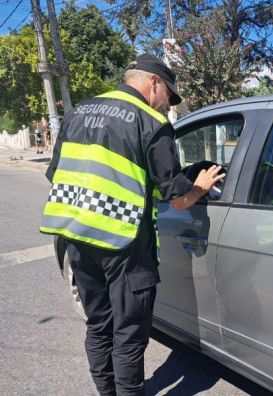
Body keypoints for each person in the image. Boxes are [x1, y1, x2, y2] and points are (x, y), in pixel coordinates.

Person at [40, 53, 224, 396]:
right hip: (124, 246)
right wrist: (201, 184)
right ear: (154, 83)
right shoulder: (150, 123)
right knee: (128, 335)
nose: (165, 106)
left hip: (78, 236)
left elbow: (57, 176)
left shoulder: (78, 112)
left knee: (98, 326)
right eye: (167, 97)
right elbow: (180, 200)